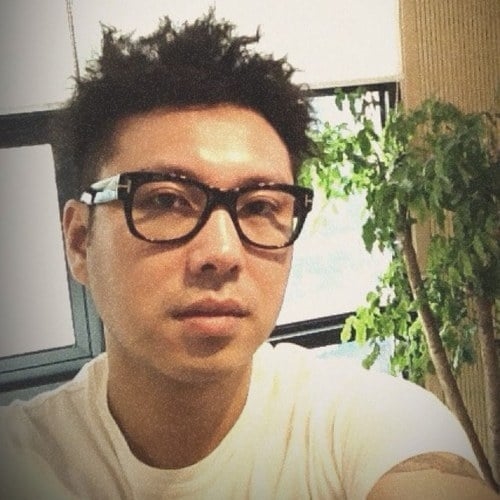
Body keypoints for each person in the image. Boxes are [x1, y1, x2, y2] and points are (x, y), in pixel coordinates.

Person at [0, 11, 498, 500]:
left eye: (259, 206)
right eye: (166, 201)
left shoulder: (371, 421)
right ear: (79, 241)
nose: (222, 253)